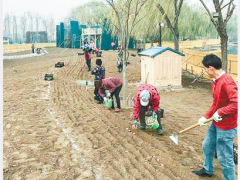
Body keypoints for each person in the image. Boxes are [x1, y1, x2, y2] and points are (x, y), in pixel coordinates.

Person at [192, 54, 238, 179]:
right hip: (216, 123)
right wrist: (205, 116)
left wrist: (221, 112)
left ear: (211, 68)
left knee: (224, 157)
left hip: (227, 127)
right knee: (207, 145)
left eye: (206, 68)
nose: (205, 71)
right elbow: (216, 103)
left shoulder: (226, 81)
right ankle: (208, 170)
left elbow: (236, 103)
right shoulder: (215, 82)